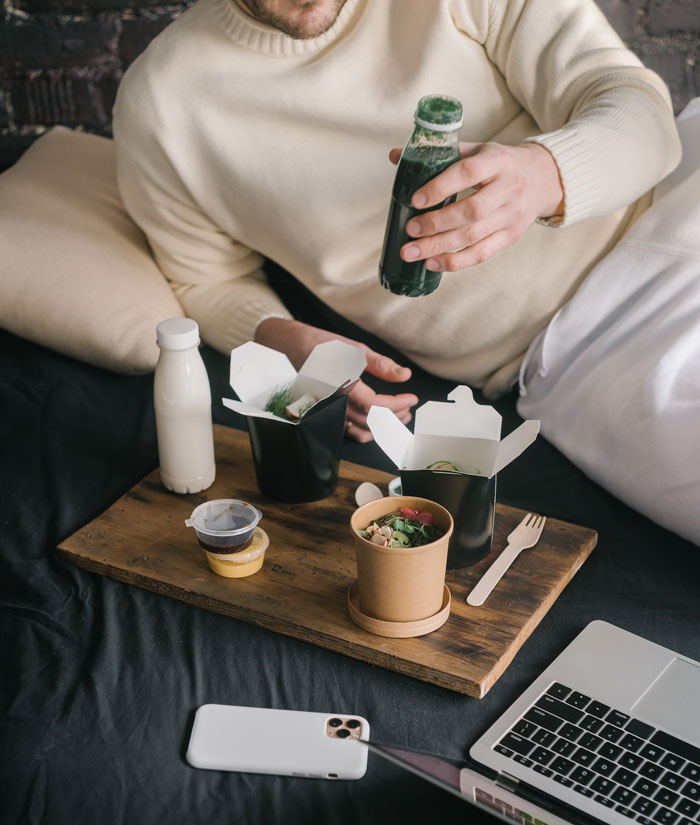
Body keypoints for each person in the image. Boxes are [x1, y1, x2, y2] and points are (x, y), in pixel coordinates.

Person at [112, 0, 680, 445]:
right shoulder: (162, 102)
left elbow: (639, 109)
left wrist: (545, 174)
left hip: (674, 214)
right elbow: (204, 281)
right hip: (570, 356)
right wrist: (275, 337)